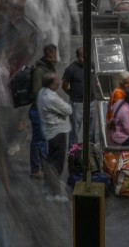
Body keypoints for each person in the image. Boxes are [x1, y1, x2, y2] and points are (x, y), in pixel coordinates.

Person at [37, 72, 72, 202]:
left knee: (51, 160)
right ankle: (55, 193)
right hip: (57, 132)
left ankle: (47, 185)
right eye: (57, 80)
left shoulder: (42, 93)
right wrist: (63, 106)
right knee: (57, 163)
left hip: (50, 132)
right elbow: (68, 110)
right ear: (51, 83)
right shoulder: (51, 98)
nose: (59, 81)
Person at [29, 44, 58, 180]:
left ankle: (44, 165)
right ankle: (35, 169)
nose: (55, 58)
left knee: (44, 139)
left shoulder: (49, 67)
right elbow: (36, 91)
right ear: (48, 55)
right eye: (53, 56)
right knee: (37, 141)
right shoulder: (40, 71)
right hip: (38, 111)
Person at [62, 47, 95, 143]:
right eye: (82, 57)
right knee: (75, 129)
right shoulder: (70, 69)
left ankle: (91, 149)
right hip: (77, 104)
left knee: (92, 128)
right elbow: (64, 86)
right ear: (77, 57)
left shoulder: (91, 65)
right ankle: (73, 152)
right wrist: (73, 95)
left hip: (91, 101)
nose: (86, 59)